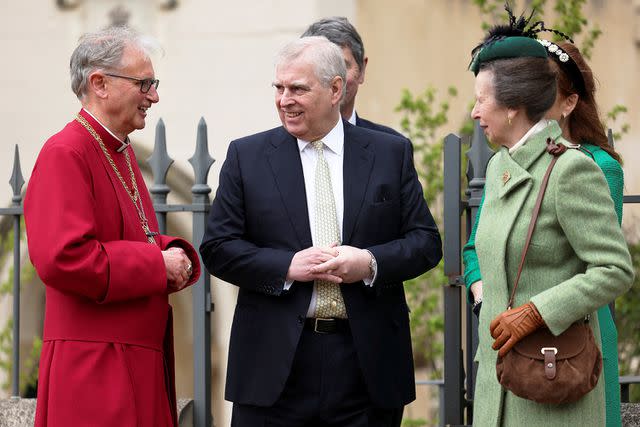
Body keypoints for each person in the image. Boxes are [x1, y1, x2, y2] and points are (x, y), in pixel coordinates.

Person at [199, 36, 442, 426]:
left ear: (335, 89)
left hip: (366, 367)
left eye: (297, 88)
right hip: (273, 367)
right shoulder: (247, 157)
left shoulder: (388, 153)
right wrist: (287, 266)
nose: (284, 99)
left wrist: (368, 262)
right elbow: (218, 248)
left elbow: (426, 243)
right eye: (279, 88)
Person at [24, 26, 201, 427]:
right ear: (99, 84)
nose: (154, 96)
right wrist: (158, 265)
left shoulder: (116, 150)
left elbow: (127, 235)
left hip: (133, 361)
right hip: (95, 369)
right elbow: (63, 257)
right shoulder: (66, 152)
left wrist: (172, 253)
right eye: (144, 83)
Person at [465, 11, 634, 426]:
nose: (474, 112)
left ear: (512, 107)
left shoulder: (570, 170)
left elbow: (614, 269)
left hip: (552, 384)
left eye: (481, 99)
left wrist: (538, 310)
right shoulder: (502, 168)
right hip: (497, 387)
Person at [302, 16, 403, 136]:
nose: (333, 79)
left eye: (342, 65)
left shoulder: (392, 148)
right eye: (321, 67)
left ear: (362, 70)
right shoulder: (275, 147)